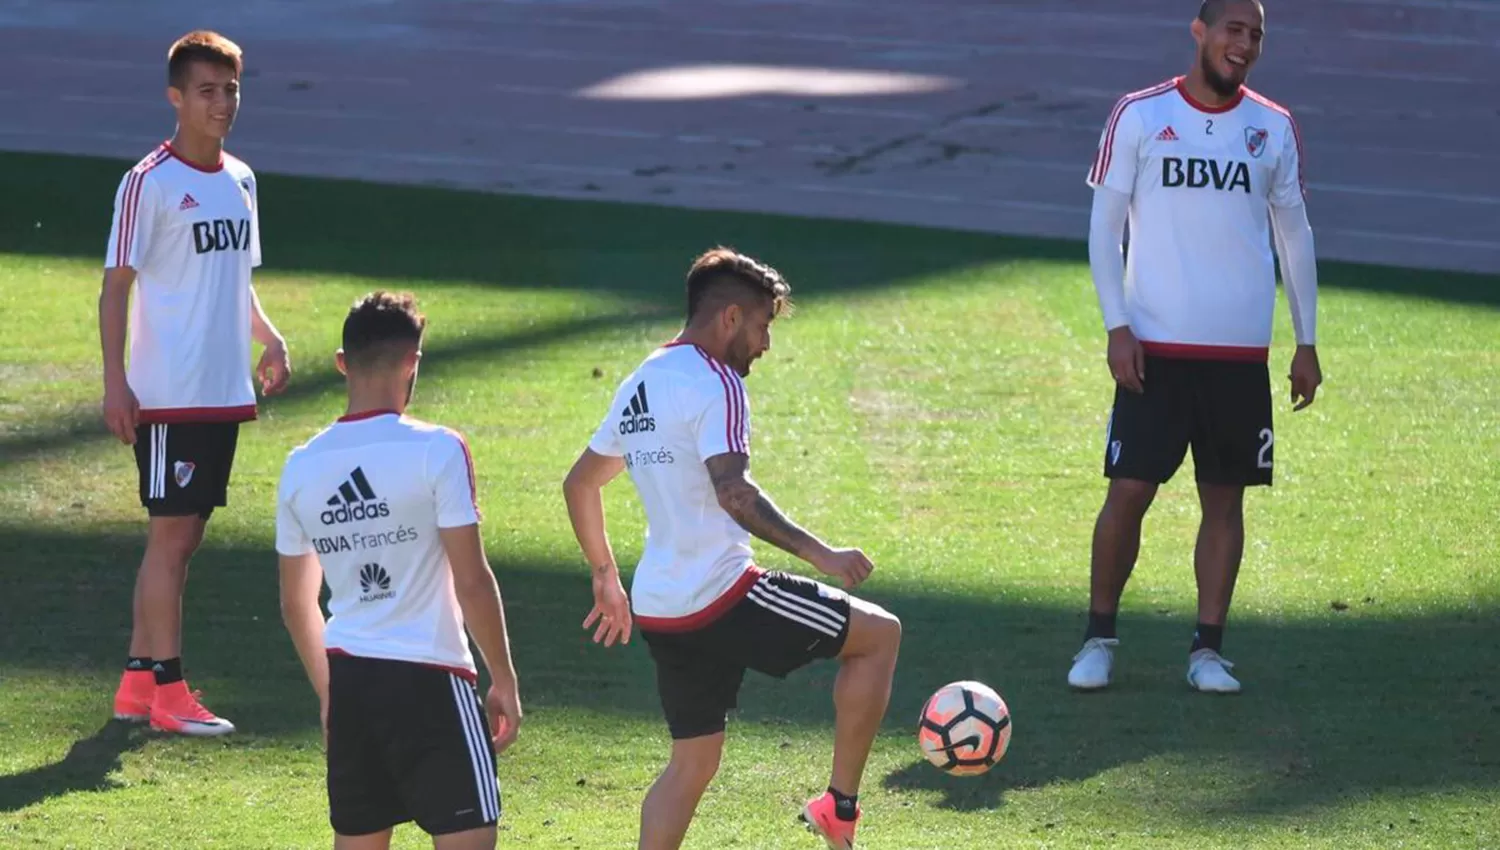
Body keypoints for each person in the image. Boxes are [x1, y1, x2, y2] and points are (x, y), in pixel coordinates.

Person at [563, 247, 902, 850]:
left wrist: (605, 576)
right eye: (763, 325)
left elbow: (581, 482)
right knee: (879, 636)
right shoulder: (714, 381)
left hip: (662, 605)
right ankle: (839, 807)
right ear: (729, 318)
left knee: (691, 763)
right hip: (721, 594)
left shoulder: (642, 379)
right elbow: (734, 493)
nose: (765, 343)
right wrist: (821, 553)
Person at [1069, 0, 1322, 695]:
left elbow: (1294, 236)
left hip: (1240, 356)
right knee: (1129, 491)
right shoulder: (1141, 115)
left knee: (1225, 498)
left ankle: (1207, 650)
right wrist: (1116, 325)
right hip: (1154, 347)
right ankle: (1099, 637)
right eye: (1233, 29)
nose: (1243, 44)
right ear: (1201, 33)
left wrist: (1306, 340)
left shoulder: (1272, 128)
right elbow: (1104, 226)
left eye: (1256, 35)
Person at [275, 291, 523, 850]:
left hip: (351, 682)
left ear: (343, 362)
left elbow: (296, 603)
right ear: (413, 361)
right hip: (431, 679)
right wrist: (503, 679)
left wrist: (328, 694)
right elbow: (473, 580)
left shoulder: (301, 465)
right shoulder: (438, 449)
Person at [104, 30, 291, 735]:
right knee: (171, 539)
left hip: (221, 390)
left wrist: (267, 336)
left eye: (232, 89)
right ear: (175, 97)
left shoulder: (241, 180)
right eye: (208, 91)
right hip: (168, 392)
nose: (223, 103)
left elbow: (236, 279)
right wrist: (115, 382)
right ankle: (170, 692)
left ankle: (134, 683)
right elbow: (114, 288)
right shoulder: (148, 182)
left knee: (182, 538)